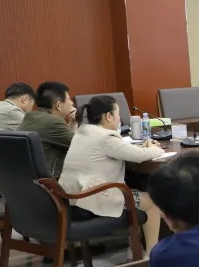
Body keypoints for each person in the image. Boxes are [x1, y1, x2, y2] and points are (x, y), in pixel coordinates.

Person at [59, 95, 164, 250]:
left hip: (70, 200)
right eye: (118, 114)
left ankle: (133, 250)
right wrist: (156, 149)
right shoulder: (106, 138)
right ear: (108, 116)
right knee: (151, 201)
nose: (119, 119)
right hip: (89, 202)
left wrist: (144, 148)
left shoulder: (83, 131)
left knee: (133, 192)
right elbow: (141, 156)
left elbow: (123, 151)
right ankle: (151, 254)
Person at [20, 81, 76, 178]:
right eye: (69, 99)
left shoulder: (31, 116)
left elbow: (67, 139)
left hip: (28, 179)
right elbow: (80, 147)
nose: (72, 103)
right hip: (49, 182)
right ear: (58, 105)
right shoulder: (53, 122)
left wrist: (73, 122)